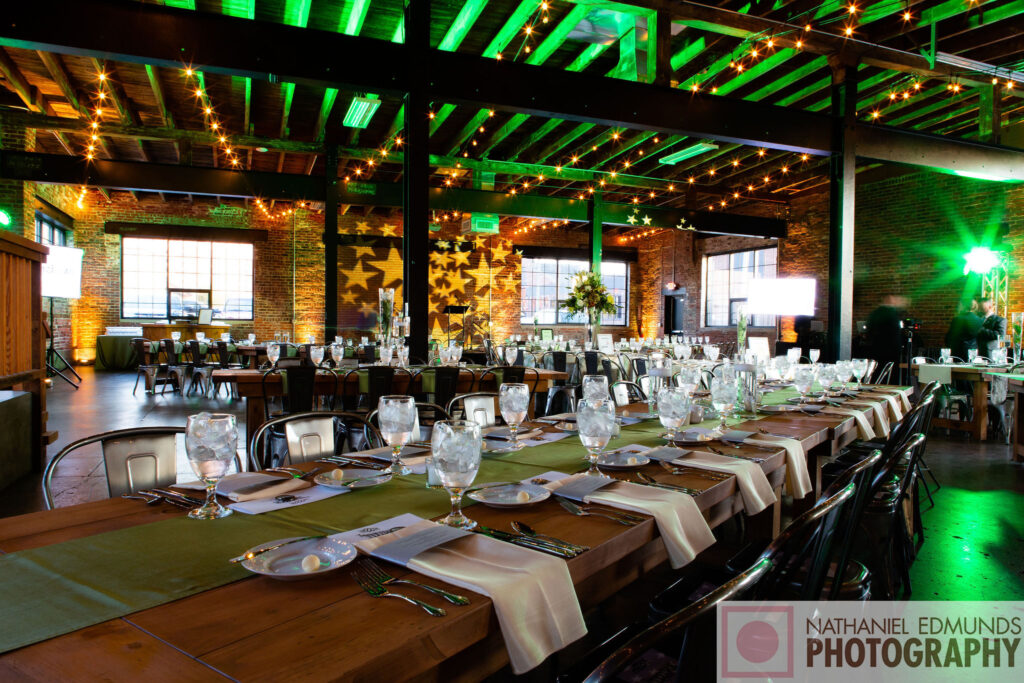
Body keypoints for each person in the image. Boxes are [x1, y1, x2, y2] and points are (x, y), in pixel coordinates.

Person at [865, 295, 907, 372]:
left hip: (876, 349)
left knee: (878, 372)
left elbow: (869, 330)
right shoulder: (891, 313)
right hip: (889, 350)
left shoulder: (876, 313)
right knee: (889, 373)